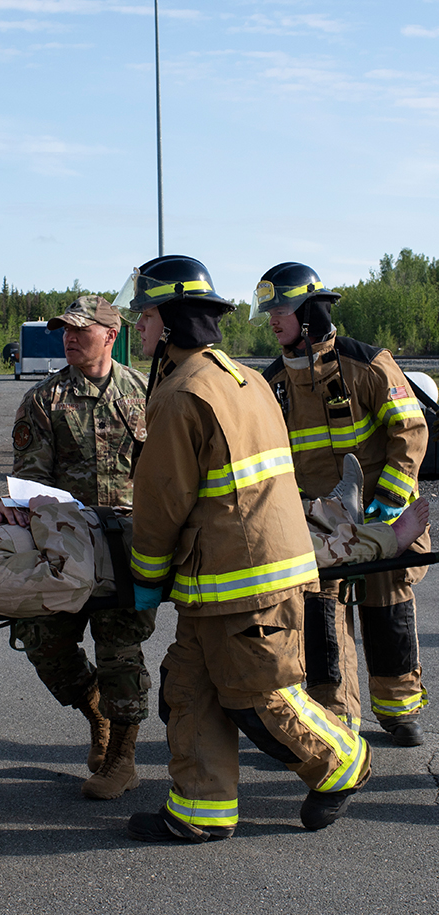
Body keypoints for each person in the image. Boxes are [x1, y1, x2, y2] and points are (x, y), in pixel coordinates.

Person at [116, 255, 371, 843]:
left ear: (172, 322)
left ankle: (343, 763)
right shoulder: (245, 377)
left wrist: (143, 579)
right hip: (227, 577)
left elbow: (161, 505)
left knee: (263, 699)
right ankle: (201, 811)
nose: (142, 327)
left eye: (147, 316)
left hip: (244, 584)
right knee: (189, 690)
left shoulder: (182, 394)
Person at [253, 261, 430, 747]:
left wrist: (386, 509)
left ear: (310, 312)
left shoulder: (366, 364)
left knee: (387, 606)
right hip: (320, 528)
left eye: (282, 307)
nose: (273, 317)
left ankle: (398, 707)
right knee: (322, 620)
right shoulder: (273, 384)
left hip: (383, 517)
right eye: (269, 309)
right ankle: (336, 723)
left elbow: (410, 433)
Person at [0, 294, 151, 800]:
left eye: (81, 330)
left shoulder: (146, 393)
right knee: (43, 643)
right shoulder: (44, 399)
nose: (68, 337)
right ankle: (95, 713)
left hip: (128, 545)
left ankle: (122, 759)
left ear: (111, 335)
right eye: (64, 330)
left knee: (120, 651)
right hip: (65, 546)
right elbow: (29, 478)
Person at [0, 484, 430, 619]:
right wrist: (49, 516)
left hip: (126, 521)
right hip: (145, 558)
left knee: (244, 505)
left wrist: (0, 506)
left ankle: (333, 511)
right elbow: (71, 583)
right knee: (268, 550)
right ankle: (384, 540)